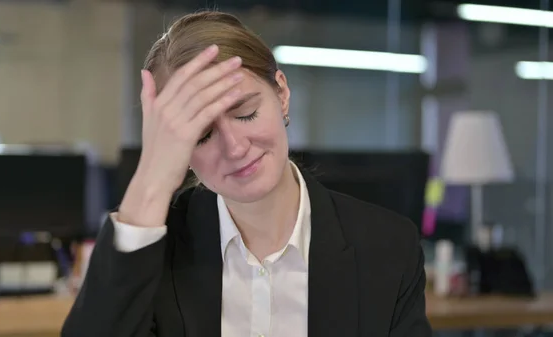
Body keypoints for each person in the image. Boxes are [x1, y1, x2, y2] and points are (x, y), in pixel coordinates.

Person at [61, 10, 432, 337]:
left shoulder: (387, 248)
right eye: (202, 134)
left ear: (281, 93)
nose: (235, 148)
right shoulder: (153, 256)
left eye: (245, 113)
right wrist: (152, 179)